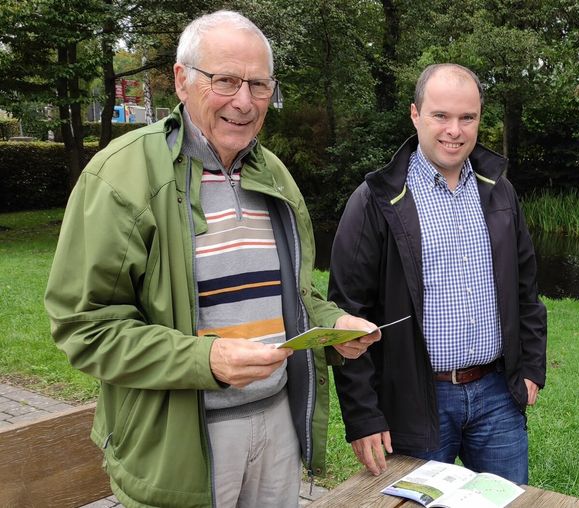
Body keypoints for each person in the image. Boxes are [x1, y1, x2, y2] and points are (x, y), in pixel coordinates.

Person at [44, 11, 379, 507]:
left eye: (259, 85)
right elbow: (85, 328)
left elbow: (292, 294)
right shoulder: (120, 176)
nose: (244, 101)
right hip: (178, 444)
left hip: (276, 428)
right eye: (225, 81)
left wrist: (333, 325)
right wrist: (206, 359)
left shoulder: (276, 175)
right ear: (182, 81)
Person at [327, 63, 547, 485]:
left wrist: (532, 366)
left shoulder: (499, 189)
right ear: (415, 114)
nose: (455, 130)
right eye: (440, 116)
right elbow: (345, 315)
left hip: (496, 394)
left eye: (468, 117)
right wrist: (363, 416)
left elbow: (526, 289)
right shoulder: (376, 200)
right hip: (415, 401)